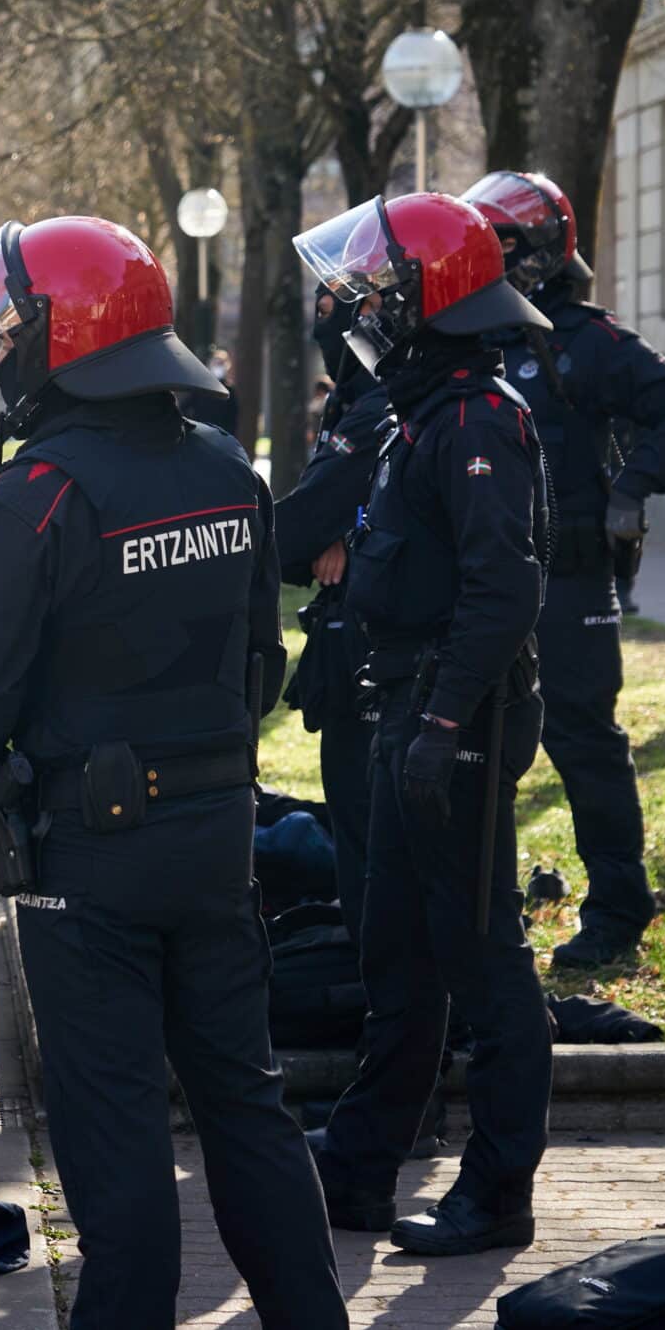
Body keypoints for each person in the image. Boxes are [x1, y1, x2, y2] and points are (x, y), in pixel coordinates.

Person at [0, 216, 348, 1330]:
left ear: (67, 333)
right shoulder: (225, 470)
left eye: (7, 326)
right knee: (245, 1109)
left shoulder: (36, 494)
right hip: (214, 840)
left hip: (89, 857)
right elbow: (260, 663)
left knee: (112, 1133)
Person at [292, 192, 552, 1256]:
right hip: (407, 707)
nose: (362, 307)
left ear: (428, 298)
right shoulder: (422, 407)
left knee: (483, 957)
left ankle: (496, 1195)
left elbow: (503, 589)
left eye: (379, 289)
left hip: (462, 718)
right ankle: (355, 1169)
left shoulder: (477, 417)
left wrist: (443, 722)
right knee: (397, 952)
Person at [464, 171, 665, 968]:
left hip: (571, 580)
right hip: (490, 579)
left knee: (585, 742)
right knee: (479, 739)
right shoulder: (472, 340)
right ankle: (487, 905)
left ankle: (617, 912)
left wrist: (633, 488)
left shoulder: (586, 340)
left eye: (497, 243)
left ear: (536, 251)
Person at [276, 288, 396, 945]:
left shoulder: (380, 407)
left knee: (368, 833)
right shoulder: (358, 401)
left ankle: (382, 996)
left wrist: (343, 529)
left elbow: (294, 532)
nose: (326, 321)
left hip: (379, 655)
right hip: (358, 645)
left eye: (338, 306)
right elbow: (310, 527)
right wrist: (342, 527)